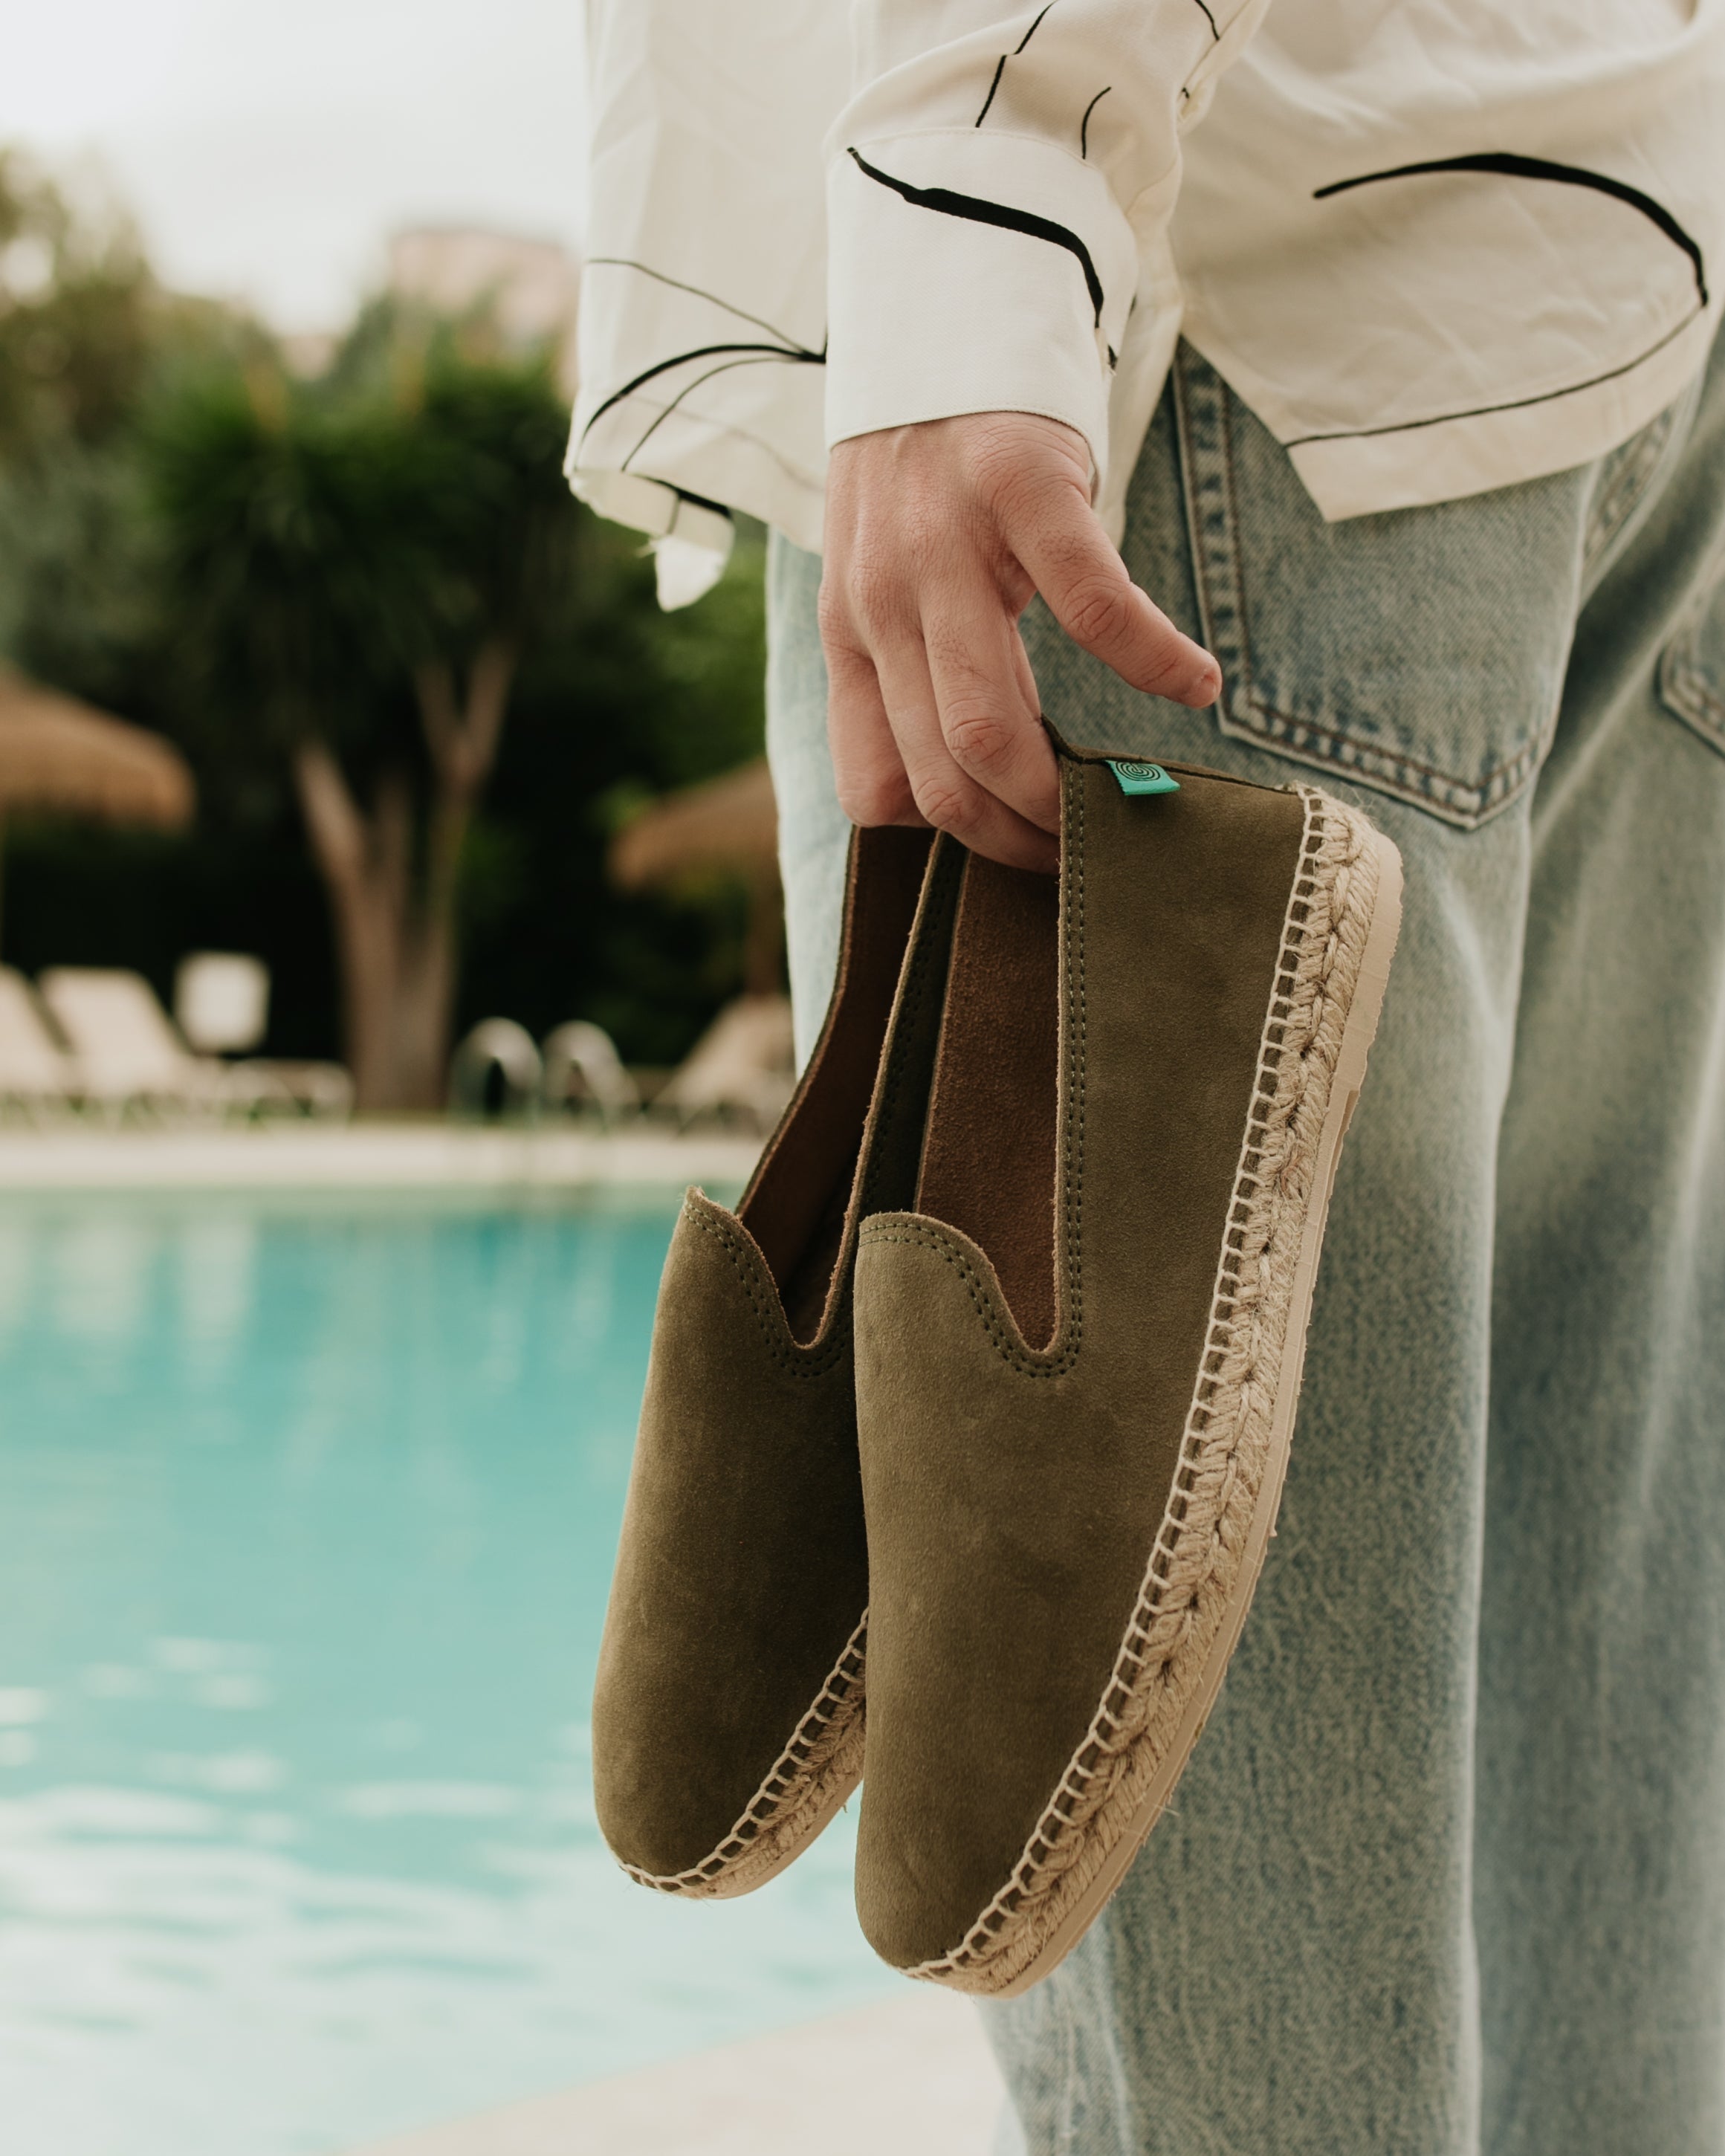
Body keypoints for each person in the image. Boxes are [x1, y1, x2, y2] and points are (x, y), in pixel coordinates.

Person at [569, 6, 1725, 2151]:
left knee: (1161, 1900)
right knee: (1586, 1715)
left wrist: (985, 173)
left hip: (1195, 313)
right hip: (1624, 266)